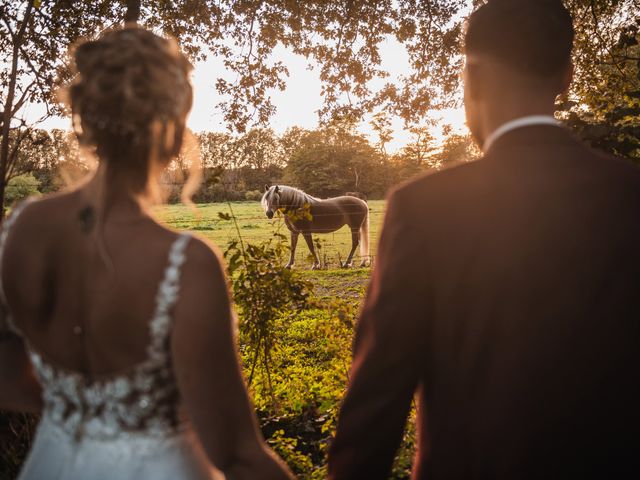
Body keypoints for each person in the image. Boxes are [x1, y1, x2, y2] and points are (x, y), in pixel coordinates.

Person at [328, 1, 640, 478]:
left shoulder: (423, 206)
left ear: (470, 77)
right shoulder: (629, 194)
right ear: (567, 77)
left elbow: (377, 399)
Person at [0, 27, 293, 480]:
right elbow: (235, 454)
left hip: (52, 462)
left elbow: (8, 376)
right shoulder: (186, 265)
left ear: (85, 124)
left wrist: (79, 412)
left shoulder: (21, 228)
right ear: (174, 137)